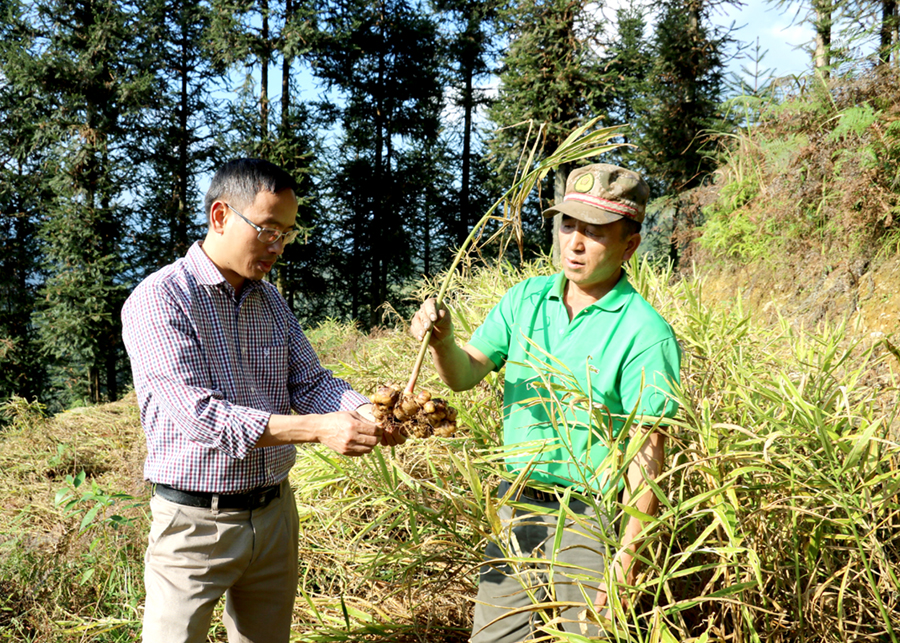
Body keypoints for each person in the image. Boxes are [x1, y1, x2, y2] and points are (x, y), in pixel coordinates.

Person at [122, 158, 400, 643]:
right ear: (220, 216)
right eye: (268, 230)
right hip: (194, 524)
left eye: (287, 234)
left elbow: (310, 381)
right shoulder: (159, 299)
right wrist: (317, 429)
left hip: (274, 517)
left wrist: (367, 411)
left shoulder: (269, 301)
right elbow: (199, 417)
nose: (277, 246)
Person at [410, 163, 681, 642]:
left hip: (589, 519)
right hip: (514, 507)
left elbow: (647, 452)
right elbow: (465, 373)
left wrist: (628, 558)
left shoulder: (645, 331)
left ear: (630, 245)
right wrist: (441, 341)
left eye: (595, 233)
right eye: (568, 225)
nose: (574, 243)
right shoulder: (526, 299)